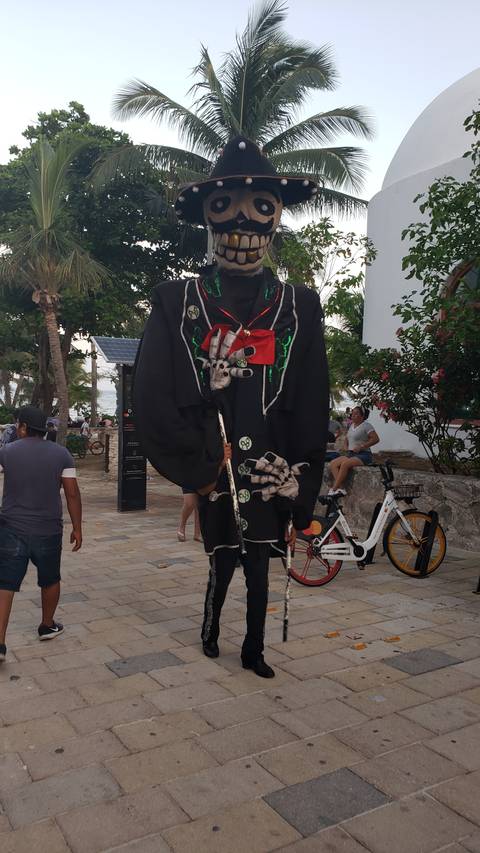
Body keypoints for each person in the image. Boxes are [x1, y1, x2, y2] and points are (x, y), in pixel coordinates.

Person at [134, 136, 329, 679]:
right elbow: (153, 392)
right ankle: (211, 631)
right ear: (208, 220)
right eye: (224, 209)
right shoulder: (180, 301)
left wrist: (299, 478)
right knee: (223, 563)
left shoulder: (298, 304)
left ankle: (255, 650)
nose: (242, 226)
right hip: (217, 462)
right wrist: (196, 466)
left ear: (277, 217)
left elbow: (311, 397)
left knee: (264, 568)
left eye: (261, 208)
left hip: (266, 468)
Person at [0, 406, 83, 662]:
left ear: (23, 426)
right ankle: (47, 625)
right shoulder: (62, 454)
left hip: (11, 528)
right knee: (50, 578)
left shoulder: (6, 452)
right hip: (48, 529)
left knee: (5, 583)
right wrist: (77, 528)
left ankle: (0, 643)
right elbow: (72, 493)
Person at [328, 405, 379, 495]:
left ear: (362, 416)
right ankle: (341, 488)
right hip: (351, 454)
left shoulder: (366, 426)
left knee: (345, 464)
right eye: (353, 413)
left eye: (356, 413)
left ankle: (334, 489)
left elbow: (376, 439)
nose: (353, 415)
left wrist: (362, 446)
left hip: (364, 454)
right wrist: (345, 446)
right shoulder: (351, 426)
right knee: (333, 464)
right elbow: (347, 439)